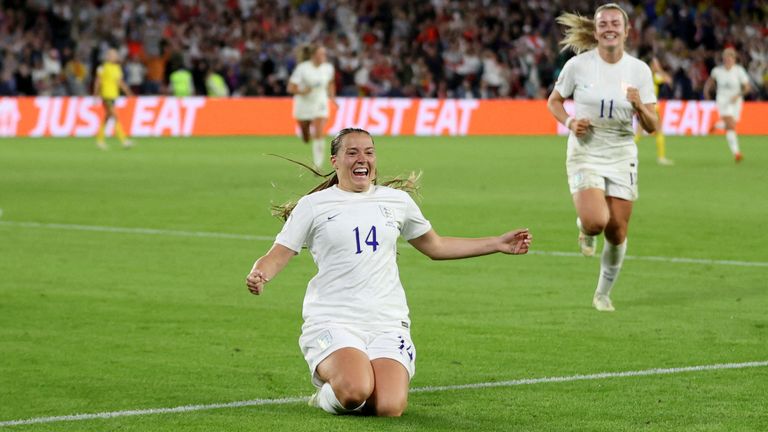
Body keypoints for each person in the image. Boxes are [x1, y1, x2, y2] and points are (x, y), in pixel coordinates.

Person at [245, 128, 532, 417]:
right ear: (335, 160)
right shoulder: (314, 206)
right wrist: (260, 274)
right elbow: (279, 253)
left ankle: (360, 382)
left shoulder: (396, 202)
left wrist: (496, 243)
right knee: (355, 390)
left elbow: (437, 246)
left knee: (390, 407)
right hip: (333, 319)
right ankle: (324, 396)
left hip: (387, 321)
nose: (363, 159)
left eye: (369, 152)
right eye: (352, 152)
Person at [546, 3, 658, 312]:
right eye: (603, 23)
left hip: (622, 152)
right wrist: (569, 122)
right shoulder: (579, 66)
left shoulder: (639, 71)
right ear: (596, 31)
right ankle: (585, 227)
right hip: (586, 150)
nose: (609, 27)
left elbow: (653, 126)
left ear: (626, 31)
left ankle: (602, 293)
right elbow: (554, 101)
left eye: (615, 23)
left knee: (617, 230)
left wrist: (639, 106)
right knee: (597, 222)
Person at [287, 44, 336, 170]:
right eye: (321, 54)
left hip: (320, 102)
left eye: (324, 54)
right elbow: (291, 87)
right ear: (314, 56)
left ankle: (317, 165)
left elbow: (330, 83)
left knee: (319, 132)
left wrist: (332, 97)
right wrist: (303, 91)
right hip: (304, 103)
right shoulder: (302, 68)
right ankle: (305, 134)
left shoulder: (328, 68)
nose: (324, 57)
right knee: (306, 136)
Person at [703, 47, 751, 163]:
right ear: (723, 59)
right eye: (726, 58)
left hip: (737, 101)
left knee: (732, 124)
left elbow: (747, 87)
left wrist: (738, 95)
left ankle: (718, 125)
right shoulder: (717, 71)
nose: (728, 60)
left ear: (734, 59)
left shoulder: (739, 71)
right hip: (723, 101)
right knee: (731, 125)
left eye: (730, 58)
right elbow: (709, 82)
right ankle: (736, 153)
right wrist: (707, 93)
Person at [634, 56, 673, 165]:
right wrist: (659, 70)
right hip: (651, 108)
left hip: (643, 107)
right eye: (656, 64)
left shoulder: (643, 76)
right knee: (659, 131)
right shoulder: (653, 76)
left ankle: (624, 155)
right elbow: (669, 80)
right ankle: (661, 158)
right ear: (651, 65)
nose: (657, 66)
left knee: (638, 133)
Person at [93, 48, 133, 150]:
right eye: (112, 55)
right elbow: (98, 82)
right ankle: (123, 140)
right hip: (106, 95)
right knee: (115, 116)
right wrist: (96, 95)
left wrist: (127, 91)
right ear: (108, 56)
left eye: (115, 55)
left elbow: (120, 82)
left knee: (108, 117)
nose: (114, 57)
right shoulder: (102, 67)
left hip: (114, 95)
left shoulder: (117, 68)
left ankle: (99, 140)